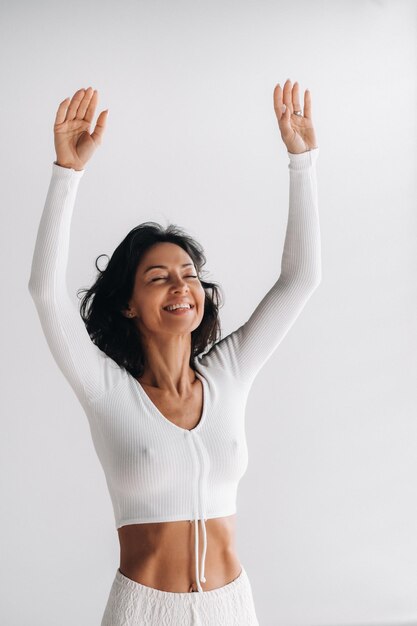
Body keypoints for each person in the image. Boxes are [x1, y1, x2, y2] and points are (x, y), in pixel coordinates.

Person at [28, 79, 320, 625]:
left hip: (233, 606)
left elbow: (301, 278)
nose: (181, 285)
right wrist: (67, 172)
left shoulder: (229, 373)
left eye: (189, 274)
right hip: (144, 611)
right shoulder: (108, 391)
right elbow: (46, 292)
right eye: (158, 277)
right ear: (129, 305)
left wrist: (302, 161)